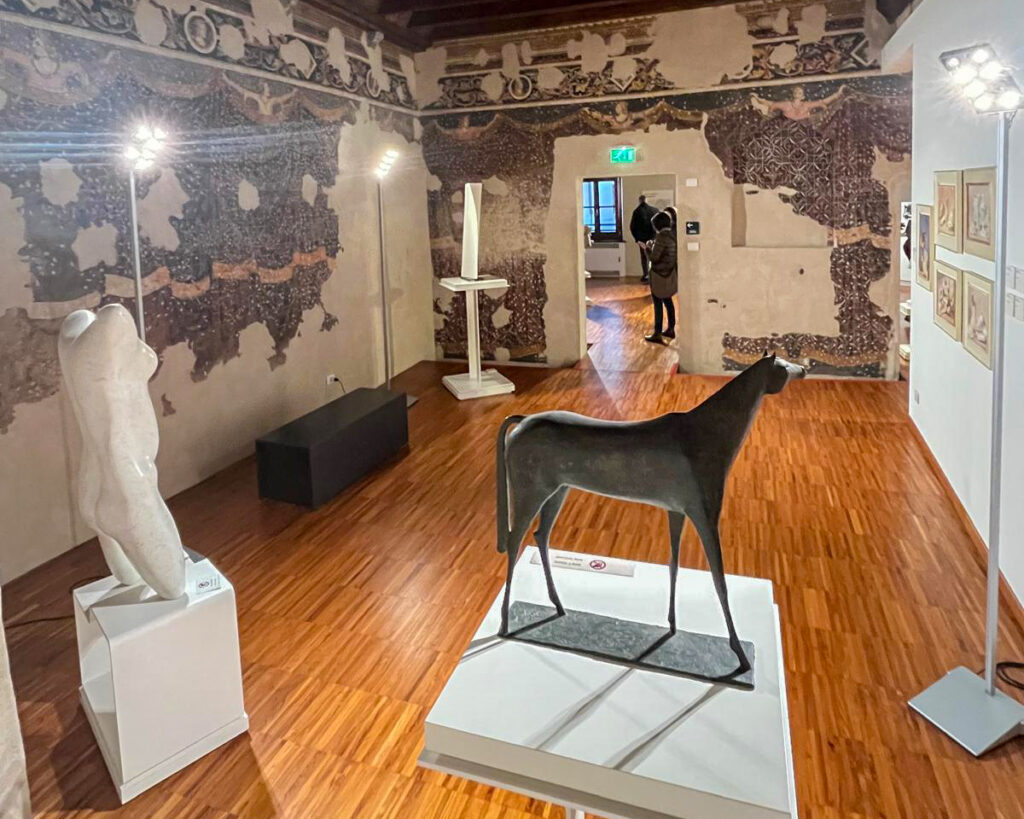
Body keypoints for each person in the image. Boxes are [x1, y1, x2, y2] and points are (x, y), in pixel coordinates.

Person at [645, 210, 677, 344]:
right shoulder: (673, 235)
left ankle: (657, 333)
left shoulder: (661, 237)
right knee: (668, 301)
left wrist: (647, 248)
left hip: (659, 275)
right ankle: (671, 329)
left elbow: (654, 258)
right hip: (669, 273)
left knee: (658, 304)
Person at [629, 194, 658, 283]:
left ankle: (646, 275)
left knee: (644, 258)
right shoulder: (655, 210)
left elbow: (632, 227)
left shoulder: (636, 211)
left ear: (639, 201)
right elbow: (658, 224)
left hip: (642, 239)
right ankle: (655, 276)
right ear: (646, 200)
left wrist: (637, 239)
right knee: (654, 257)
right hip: (653, 238)